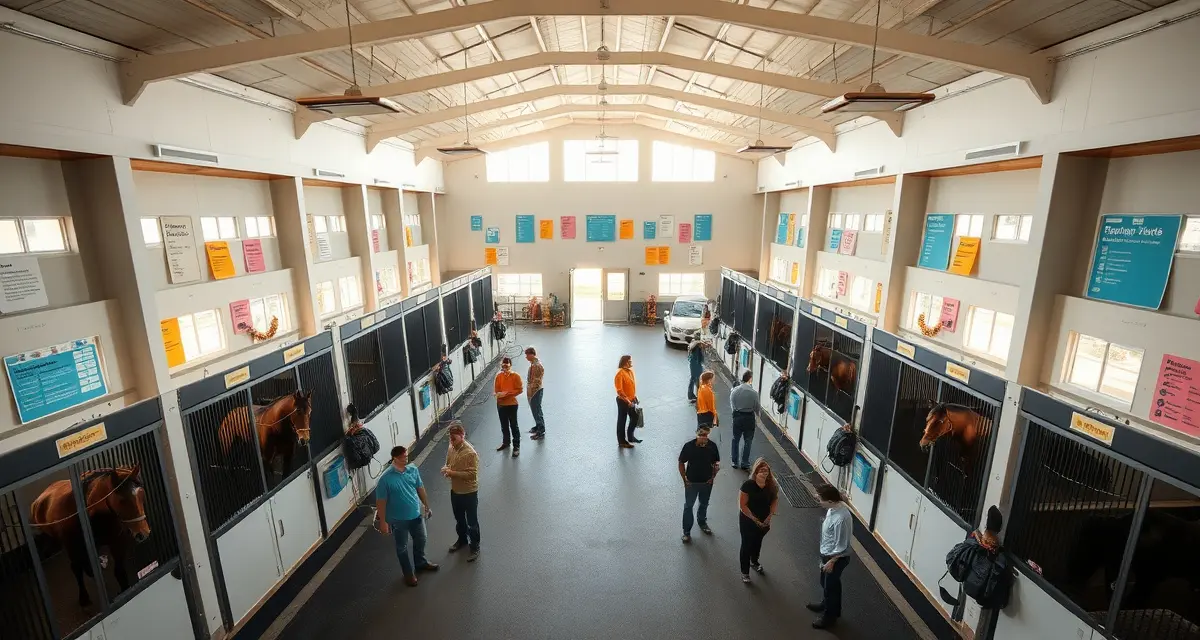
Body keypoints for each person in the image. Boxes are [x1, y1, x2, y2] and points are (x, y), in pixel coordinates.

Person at [376, 445, 438, 586]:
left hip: (416, 515)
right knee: (402, 547)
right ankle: (408, 573)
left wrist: (427, 505)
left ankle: (420, 563)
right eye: (403, 457)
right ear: (395, 459)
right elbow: (381, 502)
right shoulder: (385, 479)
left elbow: (420, 488)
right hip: (398, 520)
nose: (406, 458)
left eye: (406, 456)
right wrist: (383, 522)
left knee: (421, 539)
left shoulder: (413, 470)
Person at [808, 484, 853, 629]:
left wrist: (831, 562)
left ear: (831, 501)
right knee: (827, 583)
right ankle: (827, 604)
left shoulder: (841, 519)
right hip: (827, 553)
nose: (817, 499)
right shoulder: (832, 508)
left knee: (830, 587)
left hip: (835, 558)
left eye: (820, 498)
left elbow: (843, 546)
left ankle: (829, 617)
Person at [441, 422, 480, 562]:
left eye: (454, 439)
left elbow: (472, 474)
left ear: (462, 436)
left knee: (472, 522)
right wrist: (446, 468)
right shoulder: (451, 447)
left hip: (469, 492)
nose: (451, 442)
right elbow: (448, 461)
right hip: (456, 491)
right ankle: (462, 540)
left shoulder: (470, 453)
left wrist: (452, 473)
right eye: (450, 439)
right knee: (459, 519)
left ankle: (475, 546)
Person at [738, 458, 779, 584]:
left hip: (764, 520)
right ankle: (745, 572)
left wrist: (769, 516)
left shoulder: (772, 486)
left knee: (757, 542)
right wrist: (755, 520)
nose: (764, 473)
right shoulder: (748, 485)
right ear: (756, 472)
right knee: (746, 544)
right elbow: (742, 505)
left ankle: (754, 561)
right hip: (748, 520)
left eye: (766, 470)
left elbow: (774, 501)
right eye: (761, 470)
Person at [678, 426, 720, 543]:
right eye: (701, 435)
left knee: (704, 504)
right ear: (697, 434)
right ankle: (686, 532)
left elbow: (716, 463)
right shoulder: (689, 446)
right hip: (691, 482)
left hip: (706, 483)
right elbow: (681, 462)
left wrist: (713, 477)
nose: (703, 438)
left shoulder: (712, 446)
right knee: (688, 506)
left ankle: (702, 523)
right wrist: (684, 479)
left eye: (705, 435)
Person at [729, 370, 758, 470]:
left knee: (735, 439)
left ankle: (734, 462)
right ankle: (744, 462)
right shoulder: (754, 393)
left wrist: (735, 415)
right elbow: (757, 408)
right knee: (748, 441)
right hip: (749, 418)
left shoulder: (735, 391)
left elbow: (732, 405)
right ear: (750, 379)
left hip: (737, 416)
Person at [494, 357, 523, 457]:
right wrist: (498, 394)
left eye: (507, 364)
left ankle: (516, 446)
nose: (505, 366)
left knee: (514, 426)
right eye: (503, 364)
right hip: (501, 404)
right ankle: (506, 443)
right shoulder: (498, 376)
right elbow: (496, 390)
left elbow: (520, 390)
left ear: (510, 365)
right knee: (504, 426)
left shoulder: (515, 376)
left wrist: (508, 394)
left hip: (512, 404)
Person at [614, 354, 640, 448]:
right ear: (625, 362)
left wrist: (634, 396)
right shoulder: (620, 374)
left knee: (635, 417)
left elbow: (631, 386)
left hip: (631, 399)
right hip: (623, 401)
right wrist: (628, 401)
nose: (631, 363)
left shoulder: (629, 372)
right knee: (622, 420)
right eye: (630, 361)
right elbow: (620, 391)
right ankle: (622, 441)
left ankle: (630, 436)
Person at [524, 347, 546, 440]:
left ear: (532, 354)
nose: (526, 357)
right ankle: (538, 426)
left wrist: (531, 389)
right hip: (533, 390)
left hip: (536, 391)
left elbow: (536, 381)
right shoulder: (533, 364)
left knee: (537, 410)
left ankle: (541, 430)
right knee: (535, 410)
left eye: (527, 355)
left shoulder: (537, 365)